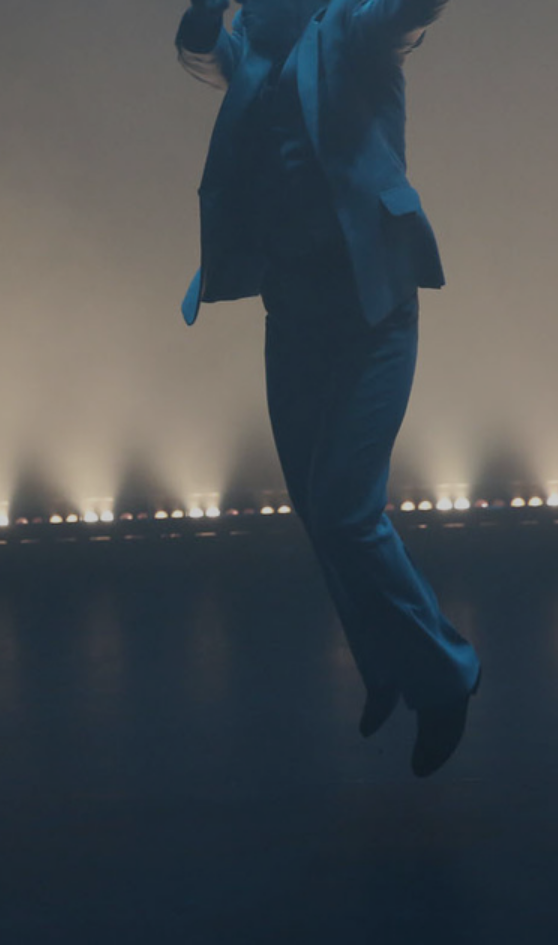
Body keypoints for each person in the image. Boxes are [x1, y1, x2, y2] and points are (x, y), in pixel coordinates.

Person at [174, 0, 481, 776]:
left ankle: (444, 677)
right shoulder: (253, 49)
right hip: (293, 313)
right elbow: (204, 53)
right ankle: (387, 668)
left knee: (346, 510)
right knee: (318, 507)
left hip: (372, 312)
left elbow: (408, 13)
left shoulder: (351, 25)